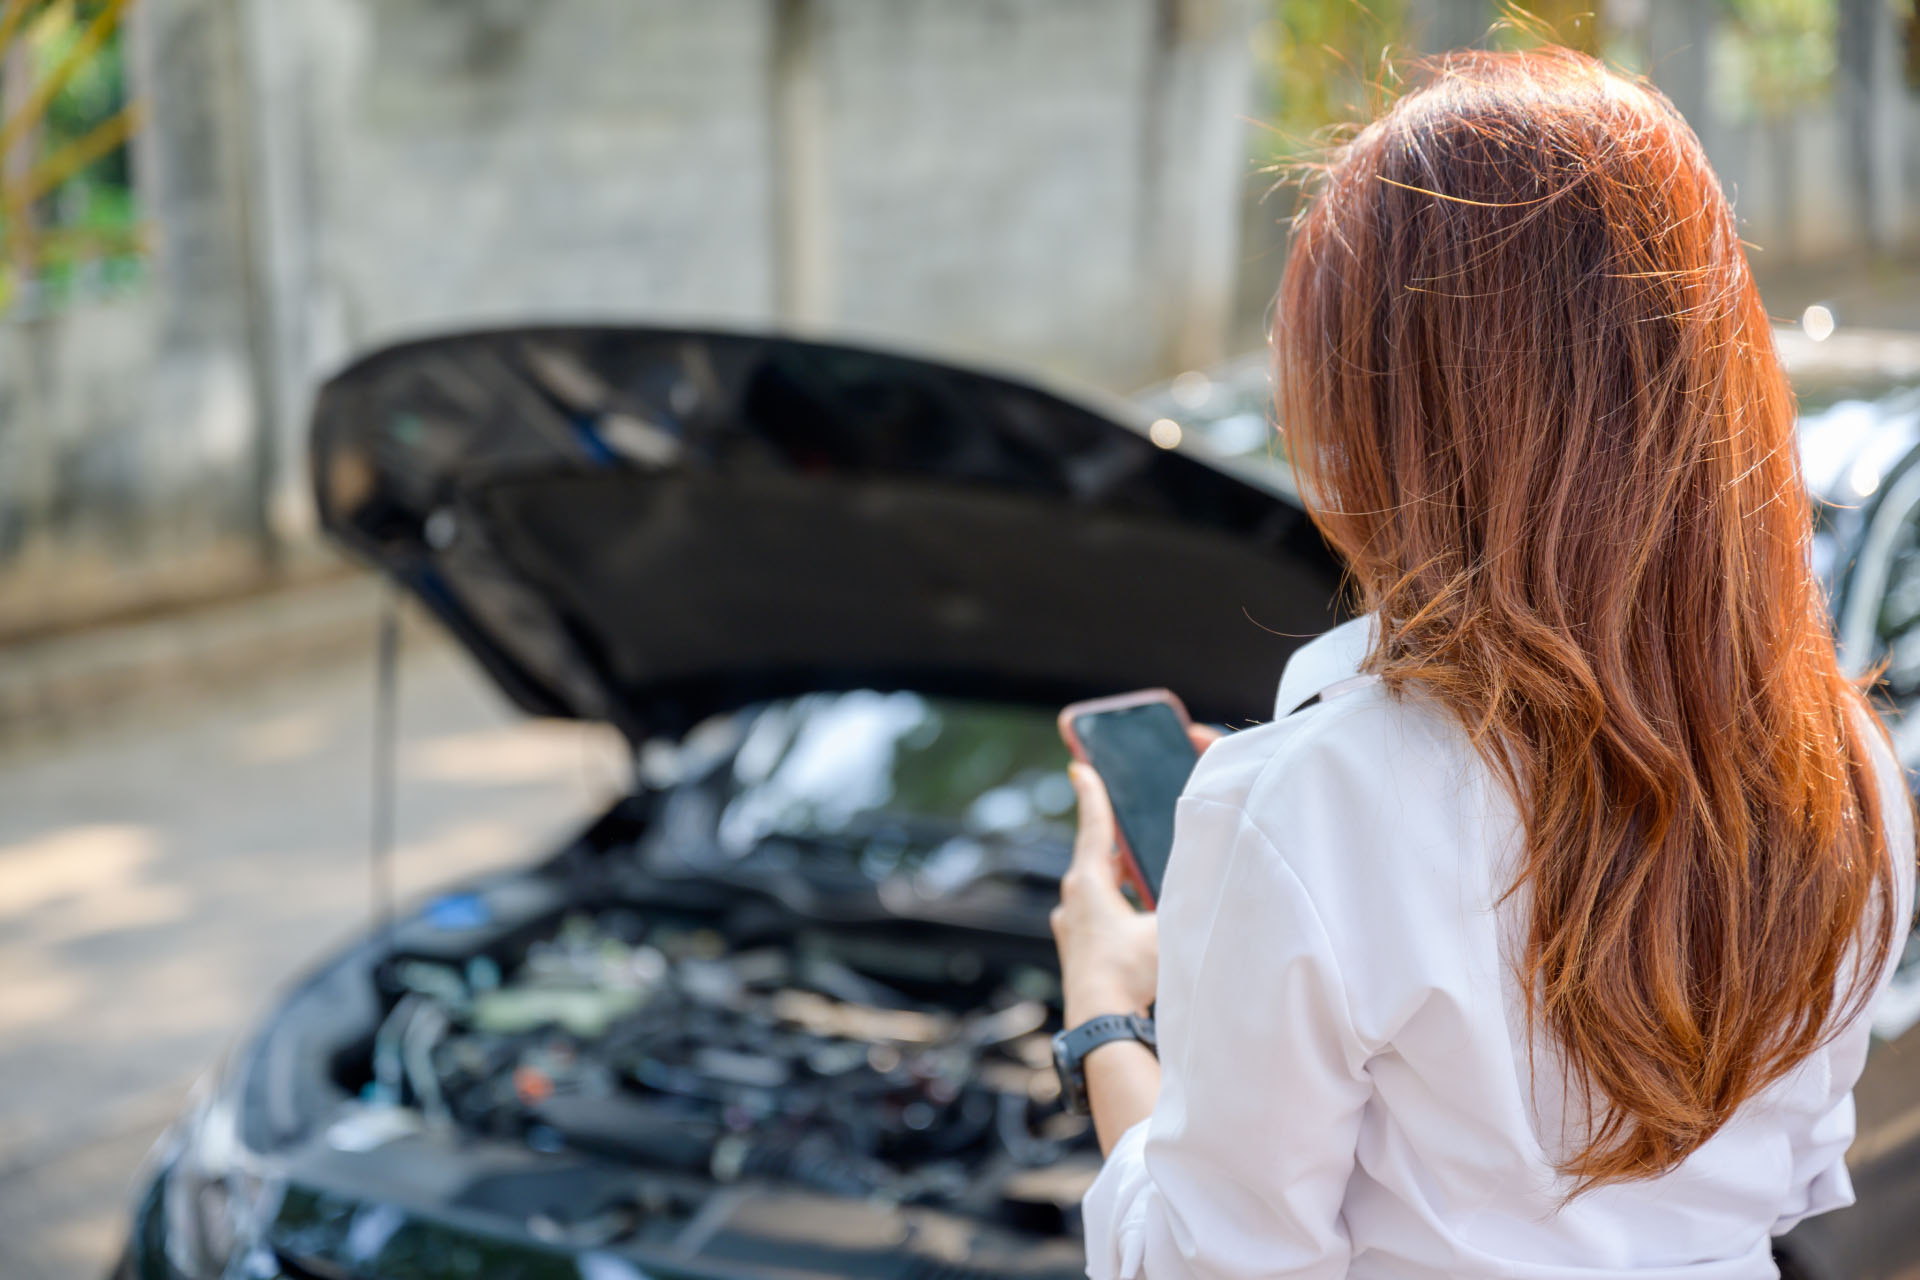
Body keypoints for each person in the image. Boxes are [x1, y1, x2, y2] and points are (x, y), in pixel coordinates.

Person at [1050, 47, 1917, 1279]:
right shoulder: (1847, 771)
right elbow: (1788, 1173)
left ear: (1384, 424)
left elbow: (1205, 1266)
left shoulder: (1305, 806)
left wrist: (1107, 1011)